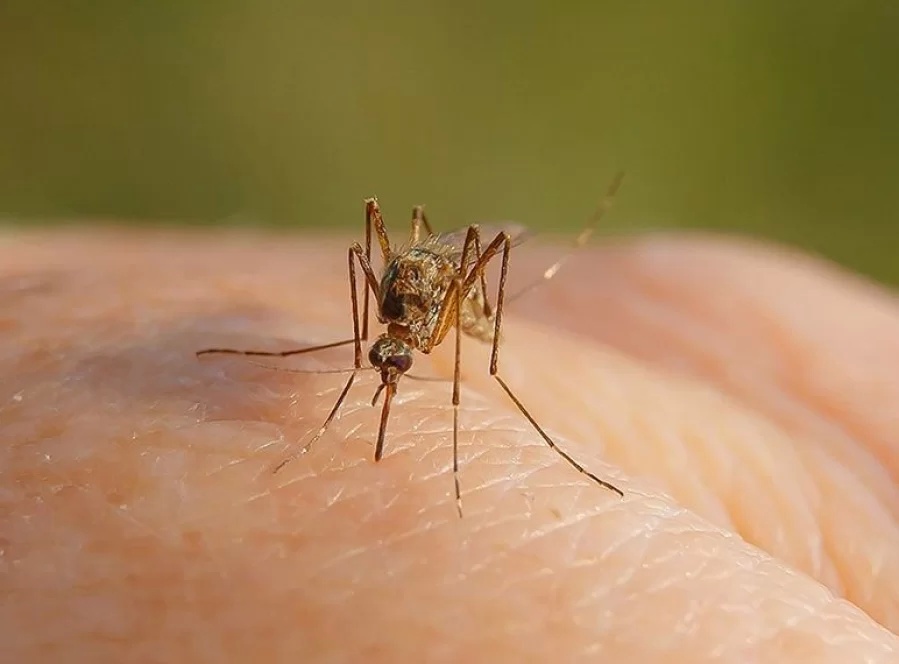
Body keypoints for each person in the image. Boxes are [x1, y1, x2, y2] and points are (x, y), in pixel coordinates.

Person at [3, 229, 898, 661]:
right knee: (373, 236)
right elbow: (376, 291)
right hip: (413, 292)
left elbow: (461, 265)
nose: (388, 372)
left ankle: (490, 376)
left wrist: (481, 368)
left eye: (386, 361)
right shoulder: (383, 326)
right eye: (384, 362)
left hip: (448, 299)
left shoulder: (421, 319)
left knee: (462, 252)